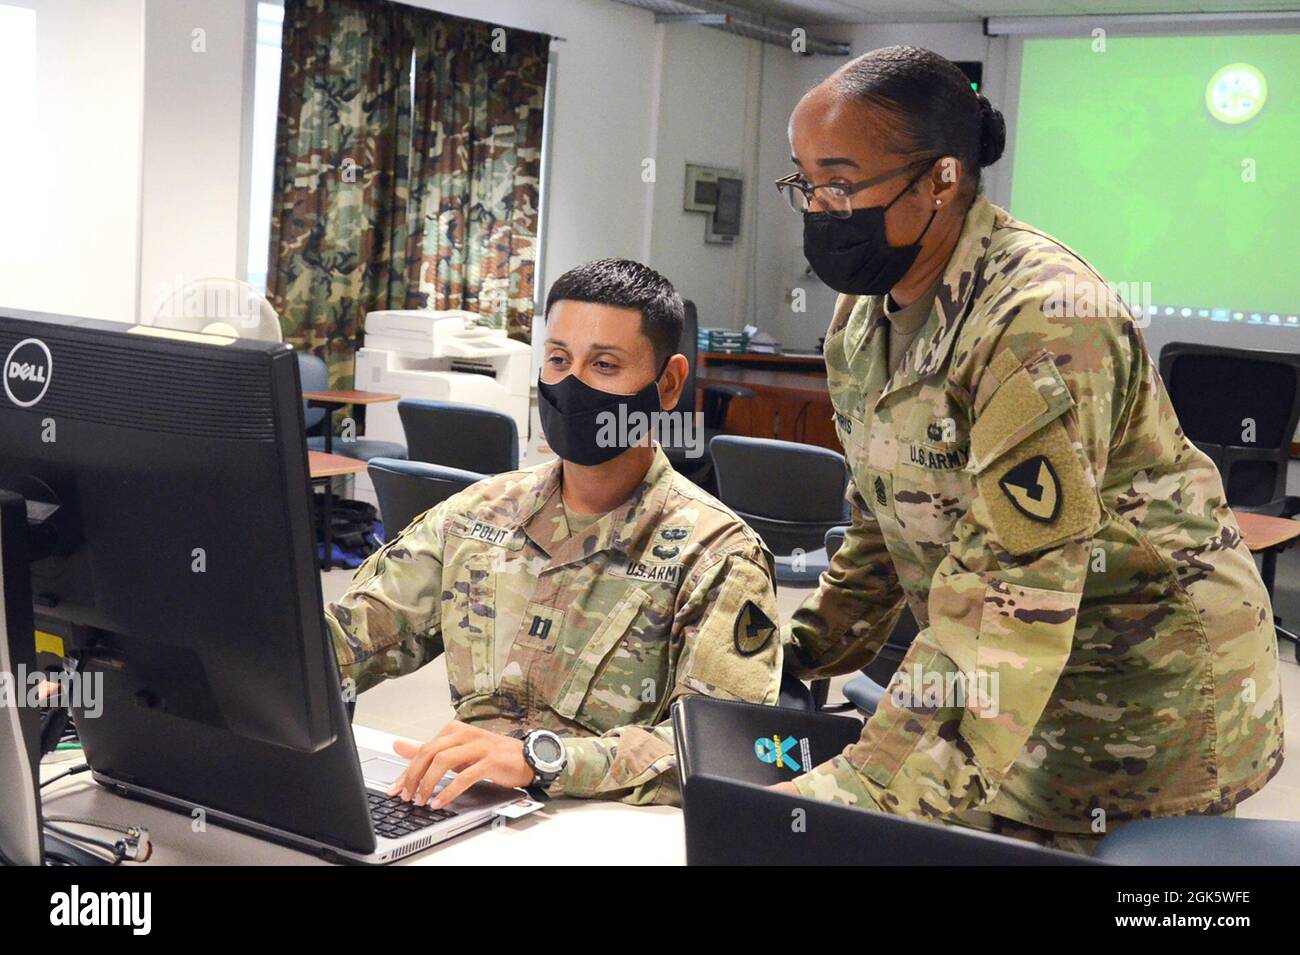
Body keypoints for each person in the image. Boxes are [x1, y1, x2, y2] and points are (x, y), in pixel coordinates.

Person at [774, 46, 1284, 853]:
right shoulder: (861, 319)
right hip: (1012, 682)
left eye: (839, 182)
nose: (818, 207)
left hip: (1137, 700)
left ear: (940, 179)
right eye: (804, 182)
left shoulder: (1044, 318)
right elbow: (881, 524)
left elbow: (1012, 593)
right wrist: (791, 659)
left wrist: (864, 789)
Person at [326, 258, 782, 809]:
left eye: (605, 365)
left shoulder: (716, 556)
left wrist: (542, 760)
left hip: (607, 831)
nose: (571, 386)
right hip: (469, 812)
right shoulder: (479, 515)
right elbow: (348, 642)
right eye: (559, 359)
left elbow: (725, 750)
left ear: (667, 385)